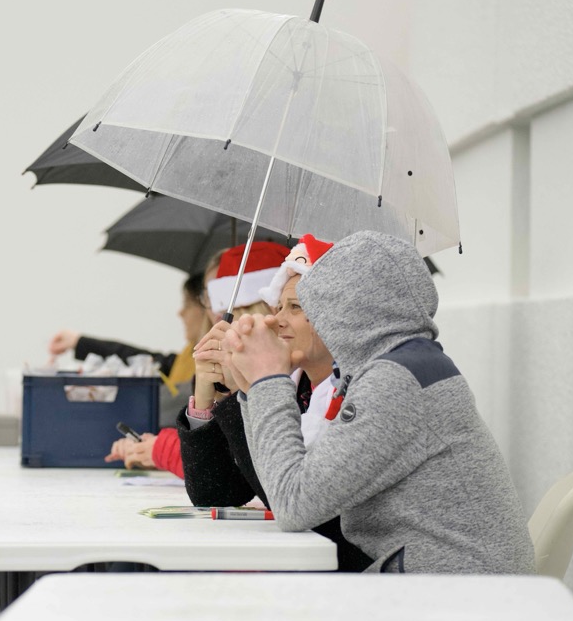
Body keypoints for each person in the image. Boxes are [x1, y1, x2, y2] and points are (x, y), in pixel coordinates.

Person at [223, 230, 535, 574]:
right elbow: (286, 491)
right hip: (448, 582)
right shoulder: (401, 366)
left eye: (312, 305)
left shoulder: (396, 382)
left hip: (458, 592)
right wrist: (251, 389)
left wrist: (268, 380)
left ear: (351, 306)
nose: (278, 319)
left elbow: (293, 505)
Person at [177, 235, 373, 572]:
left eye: (294, 307)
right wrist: (206, 397)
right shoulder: (297, 383)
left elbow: (292, 504)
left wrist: (248, 389)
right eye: (277, 307)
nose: (275, 320)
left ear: (336, 314)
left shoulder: (358, 392)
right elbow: (216, 493)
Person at [105, 241, 290, 476]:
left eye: (218, 298)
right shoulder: (207, 361)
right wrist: (202, 402)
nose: (212, 310)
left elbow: (239, 473)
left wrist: (164, 449)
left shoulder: (289, 377)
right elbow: (215, 479)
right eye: (207, 296)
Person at [48, 270, 213, 428]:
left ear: (206, 308)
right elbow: (141, 360)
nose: (180, 312)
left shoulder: (208, 372)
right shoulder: (187, 358)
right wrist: (79, 342)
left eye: (187, 304)